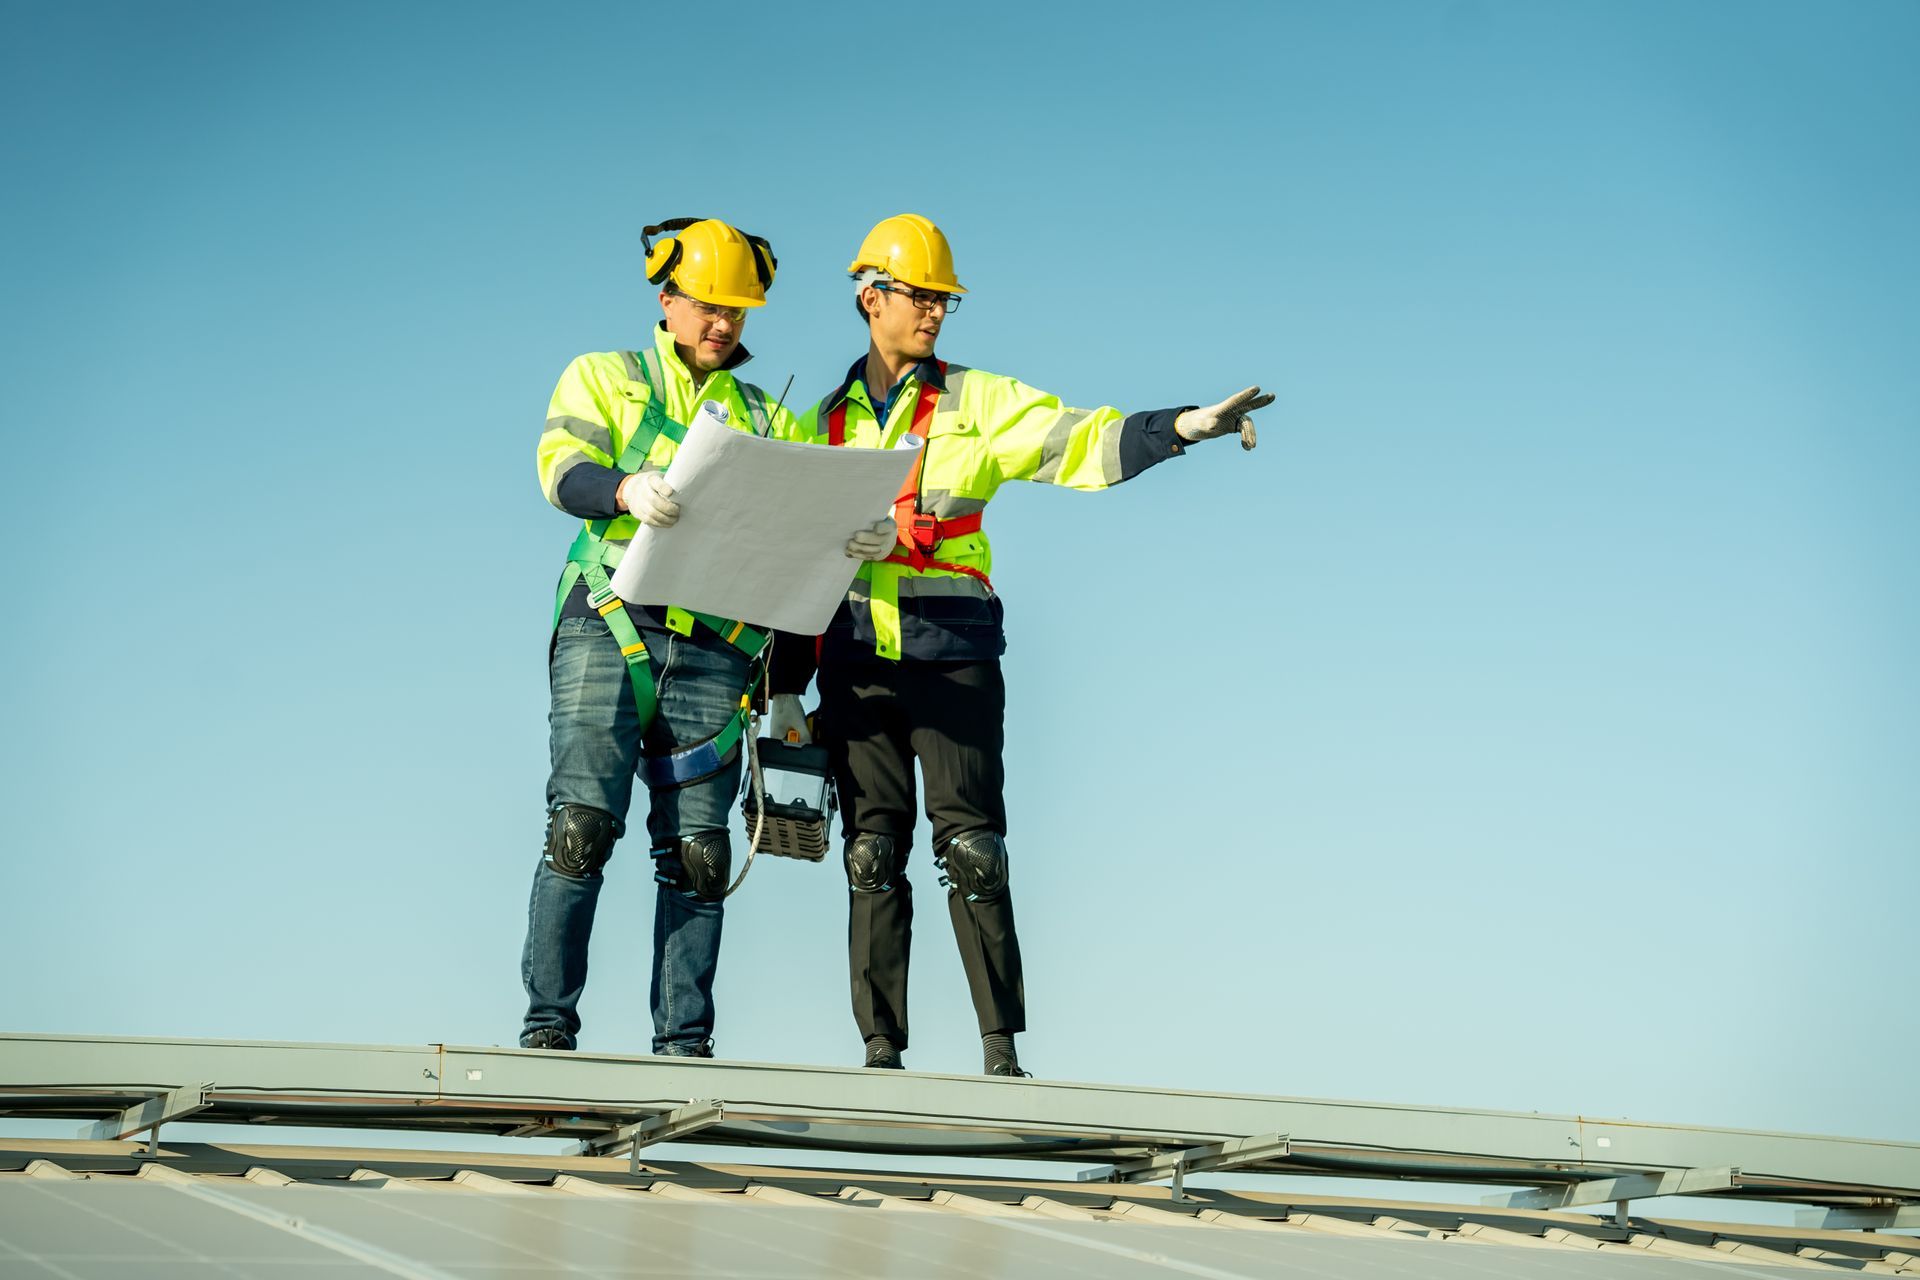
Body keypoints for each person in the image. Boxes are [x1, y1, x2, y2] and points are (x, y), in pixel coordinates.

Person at [765, 214, 1270, 1076]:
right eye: (920, 296)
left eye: (943, 300)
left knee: (973, 850)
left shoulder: (979, 401)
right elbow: (788, 559)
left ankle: (999, 1051)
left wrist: (1181, 428)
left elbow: (1082, 438)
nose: (934, 312)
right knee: (870, 851)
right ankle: (880, 1050)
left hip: (951, 653)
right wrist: (782, 686)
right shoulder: (815, 423)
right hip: (852, 661)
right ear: (870, 297)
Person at [521, 217, 894, 1057]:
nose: (723, 323)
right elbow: (559, 470)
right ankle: (548, 1034)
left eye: (737, 309)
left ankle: (683, 1050)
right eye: (707, 306)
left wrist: (853, 535)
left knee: (698, 855)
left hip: (717, 651)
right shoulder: (603, 376)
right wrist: (621, 489)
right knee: (580, 827)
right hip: (610, 623)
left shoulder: (767, 412)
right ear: (668, 301)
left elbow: (804, 522)